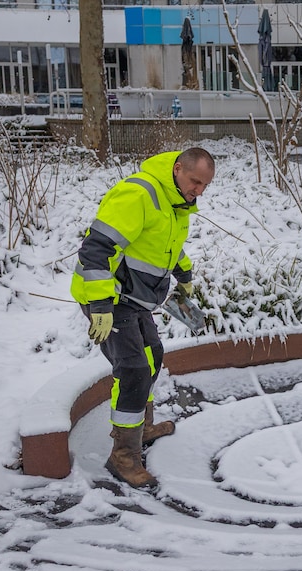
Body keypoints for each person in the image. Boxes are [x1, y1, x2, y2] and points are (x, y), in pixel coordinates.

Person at [70, 147, 216, 488]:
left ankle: (140, 427)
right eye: (194, 181)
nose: (198, 190)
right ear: (177, 169)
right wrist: (101, 305)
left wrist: (184, 274)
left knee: (152, 355)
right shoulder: (138, 194)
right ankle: (123, 456)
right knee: (134, 369)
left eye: (205, 185)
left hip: (134, 298)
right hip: (109, 295)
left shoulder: (175, 202)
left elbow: (165, 245)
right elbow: (97, 249)